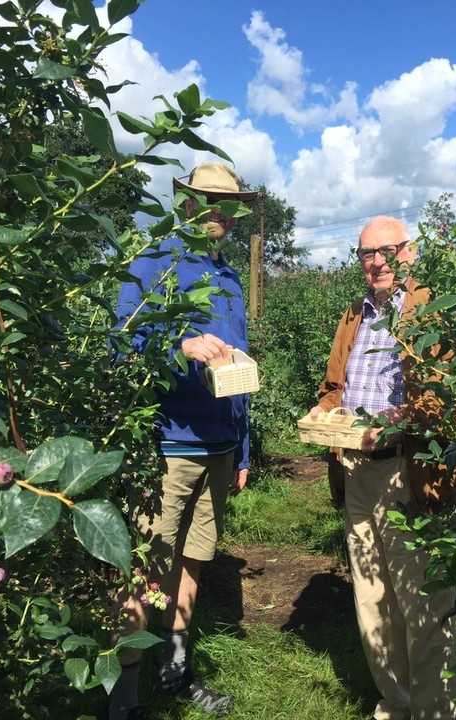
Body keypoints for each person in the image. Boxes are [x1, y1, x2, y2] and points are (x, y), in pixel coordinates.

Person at [109, 162, 257, 720]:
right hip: (167, 445)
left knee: (193, 560)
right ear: (187, 202)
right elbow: (119, 341)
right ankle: (123, 702)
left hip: (219, 444)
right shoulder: (156, 261)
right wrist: (182, 346)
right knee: (147, 567)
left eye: (229, 203)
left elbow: (238, 370)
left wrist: (242, 448)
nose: (219, 210)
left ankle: (174, 672)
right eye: (207, 199)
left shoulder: (230, 276)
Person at [308, 216, 456, 720]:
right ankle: (394, 705)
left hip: (406, 471)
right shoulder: (354, 315)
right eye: (366, 253)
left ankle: (433, 710)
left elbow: (453, 395)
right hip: (355, 470)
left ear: (409, 253)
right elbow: (335, 388)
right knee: (372, 600)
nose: (375, 262)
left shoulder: (432, 309)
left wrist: (407, 415)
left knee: (422, 603)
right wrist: (322, 411)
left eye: (386, 250)